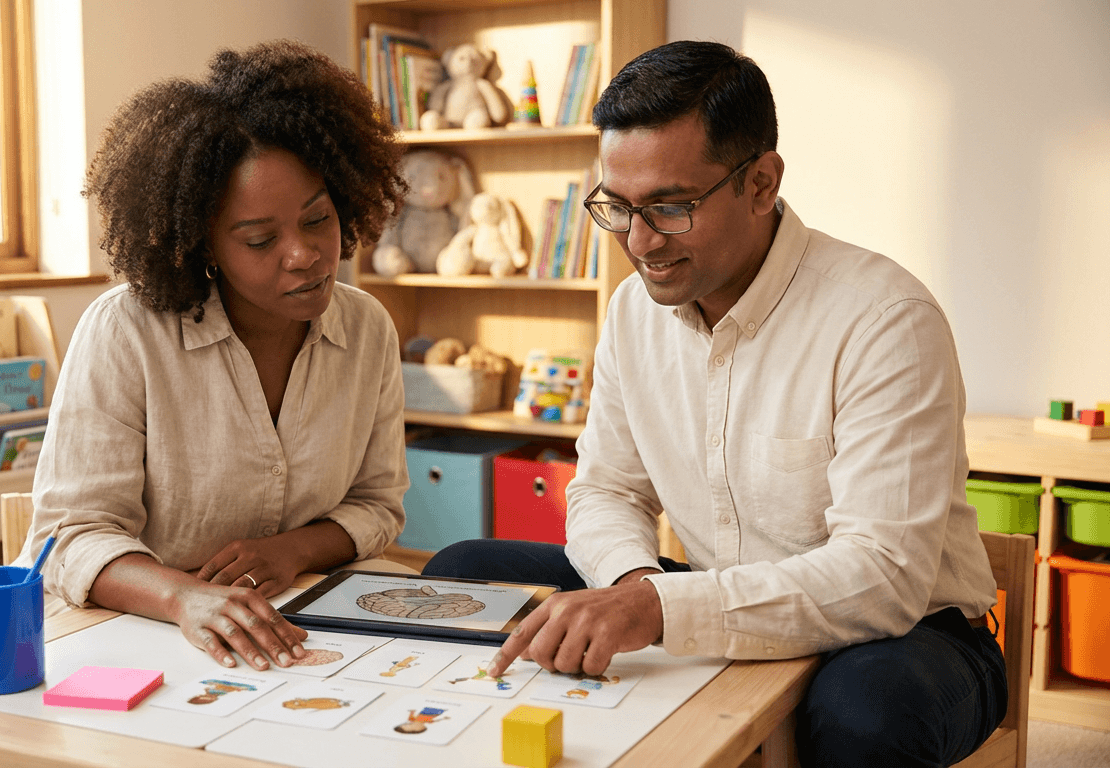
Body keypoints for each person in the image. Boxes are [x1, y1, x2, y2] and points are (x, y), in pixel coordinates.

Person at [423, 41, 1006, 766]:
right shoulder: (633, 313)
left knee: (865, 713)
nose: (638, 242)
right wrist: (638, 585)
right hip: (707, 591)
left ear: (761, 183)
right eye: (618, 207)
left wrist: (660, 610)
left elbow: (882, 577)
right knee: (466, 567)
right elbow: (605, 491)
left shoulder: (884, 318)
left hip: (905, 634)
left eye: (668, 207)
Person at [15, 40, 410, 673]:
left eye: (318, 219)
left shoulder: (366, 329)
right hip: (140, 637)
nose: (303, 254)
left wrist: (291, 551)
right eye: (260, 239)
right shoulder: (126, 333)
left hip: (297, 624)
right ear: (204, 242)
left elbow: (376, 506)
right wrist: (186, 597)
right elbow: (68, 539)